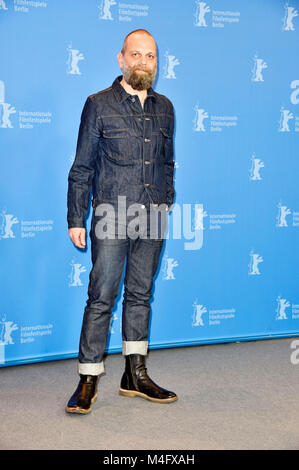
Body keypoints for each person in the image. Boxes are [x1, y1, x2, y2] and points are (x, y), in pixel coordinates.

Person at [65, 29, 177, 414]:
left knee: (140, 296)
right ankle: (88, 380)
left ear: (156, 63)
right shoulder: (98, 105)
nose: (143, 62)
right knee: (101, 297)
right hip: (110, 215)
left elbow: (167, 162)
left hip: (152, 216)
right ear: (121, 59)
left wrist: (166, 202)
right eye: (136, 55)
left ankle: (135, 374)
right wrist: (76, 217)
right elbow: (82, 167)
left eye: (150, 56)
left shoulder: (165, 107)